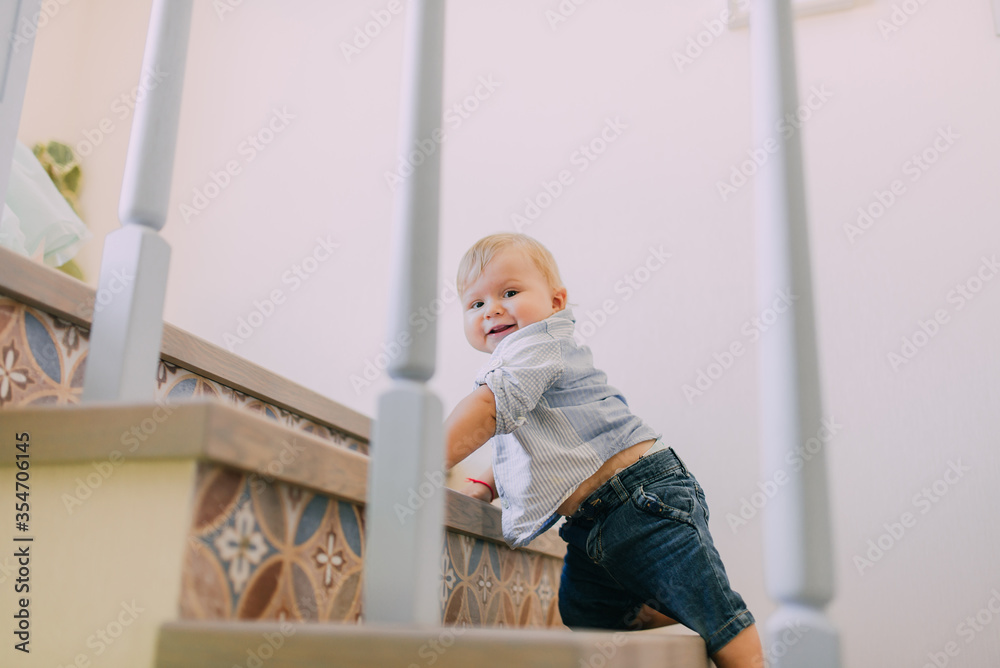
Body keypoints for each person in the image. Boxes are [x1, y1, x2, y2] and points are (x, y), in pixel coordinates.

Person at [444, 233, 764, 667]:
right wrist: (485, 484)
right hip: (590, 521)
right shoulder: (517, 366)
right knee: (585, 612)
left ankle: (733, 642)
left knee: (714, 611)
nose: (492, 309)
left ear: (556, 302)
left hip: (642, 499)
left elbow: (486, 410)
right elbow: (526, 446)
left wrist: (423, 461)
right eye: (476, 303)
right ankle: (665, 600)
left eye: (510, 293)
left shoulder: (539, 345)